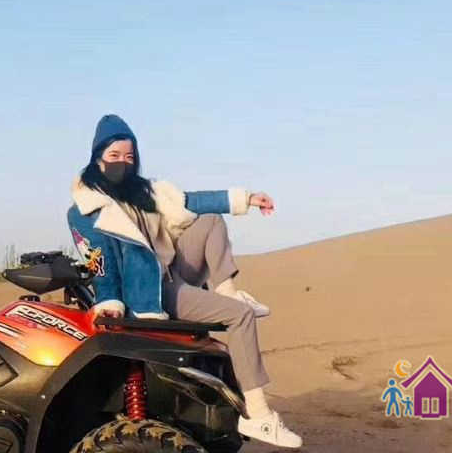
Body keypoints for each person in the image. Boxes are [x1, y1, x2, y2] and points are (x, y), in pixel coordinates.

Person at [66, 114, 303, 449]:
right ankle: (259, 414)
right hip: (147, 292)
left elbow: (189, 202)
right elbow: (99, 262)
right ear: (97, 157)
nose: (123, 162)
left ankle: (228, 290)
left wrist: (247, 199)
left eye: (129, 156)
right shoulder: (85, 209)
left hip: (170, 269)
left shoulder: (143, 192)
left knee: (209, 219)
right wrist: (110, 301)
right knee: (241, 316)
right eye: (114, 155)